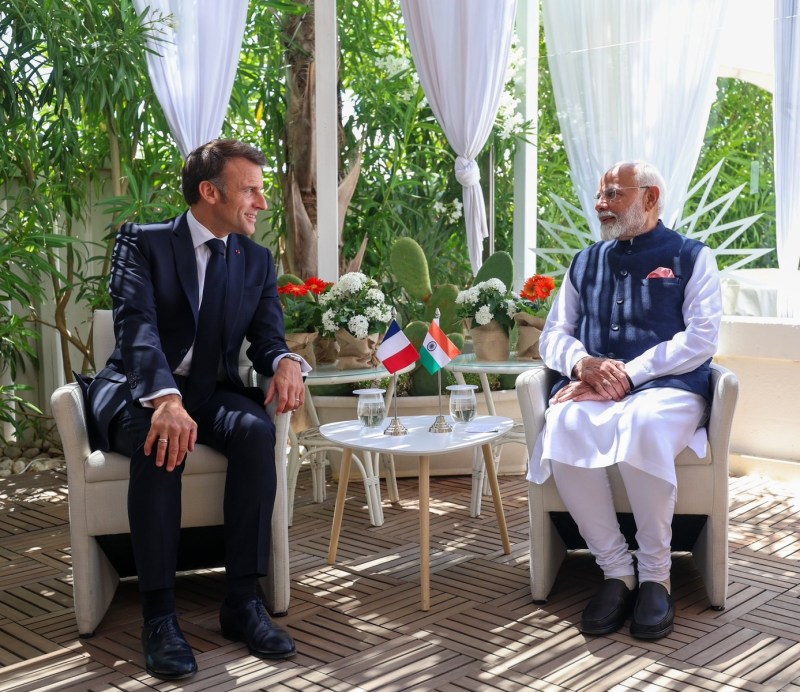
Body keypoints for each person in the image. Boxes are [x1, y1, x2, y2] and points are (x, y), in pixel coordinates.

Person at [83, 139, 310, 680]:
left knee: (255, 431)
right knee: (159, 440)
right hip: (138, 388)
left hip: (209, 391)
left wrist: (285, 361)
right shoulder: (142, 242)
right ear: (210, 192)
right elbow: (136, 328)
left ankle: (242, 601)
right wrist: (164, 398)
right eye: (250, 190)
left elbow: (266, 338)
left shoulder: (256, 260)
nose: (261, 202)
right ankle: (160, 616)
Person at [528, 160, 721, 640]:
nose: (601, 204)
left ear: (650, 198)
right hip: (594, 387)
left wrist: (628, 374)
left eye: (614, 193)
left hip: (670, 390)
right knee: (563, 422)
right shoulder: (584, 261)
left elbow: (701, 338)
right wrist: (582, 365)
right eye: (601, 195)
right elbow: (554, 335)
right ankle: (616, 571)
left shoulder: (693, 256)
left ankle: (656, 575)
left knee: (644, 425)